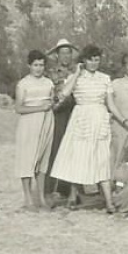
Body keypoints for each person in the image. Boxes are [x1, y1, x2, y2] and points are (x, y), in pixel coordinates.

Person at [49, 44, 128, 212]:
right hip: (81, 118)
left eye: (97, 60)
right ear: (84, 60)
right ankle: (73, 196)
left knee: (101, 160)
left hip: (100, 118)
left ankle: (109, 202)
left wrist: (124, 122)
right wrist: (76, 73)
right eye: (91, 60)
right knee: (78, 157)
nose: (94, 63)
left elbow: (111, 104)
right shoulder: (76, 77)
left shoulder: (104, 78)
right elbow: (63, 94)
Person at [14, 50, 55, 210]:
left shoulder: (48, 83)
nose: (39, 68)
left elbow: (51, 100)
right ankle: (28, 198)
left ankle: (41, 198)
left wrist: (50, 106)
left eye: (41, 65)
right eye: (35, 65)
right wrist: (39, 108)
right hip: (29, 122)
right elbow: (18, 108)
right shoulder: (23, 84)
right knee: (27, 159)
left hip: (47, 121)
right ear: (29, 65)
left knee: (42, 160)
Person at [44, 38, 79, 199]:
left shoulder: (77, 70)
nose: (66, 56)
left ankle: (72, 190)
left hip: (76, 110)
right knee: (57, 147)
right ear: (57, 55)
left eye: (68, 53)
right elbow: (57, 94)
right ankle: (53, 188)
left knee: (75, 148)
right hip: (59, 113)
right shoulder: (52, 72)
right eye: (62, 53)